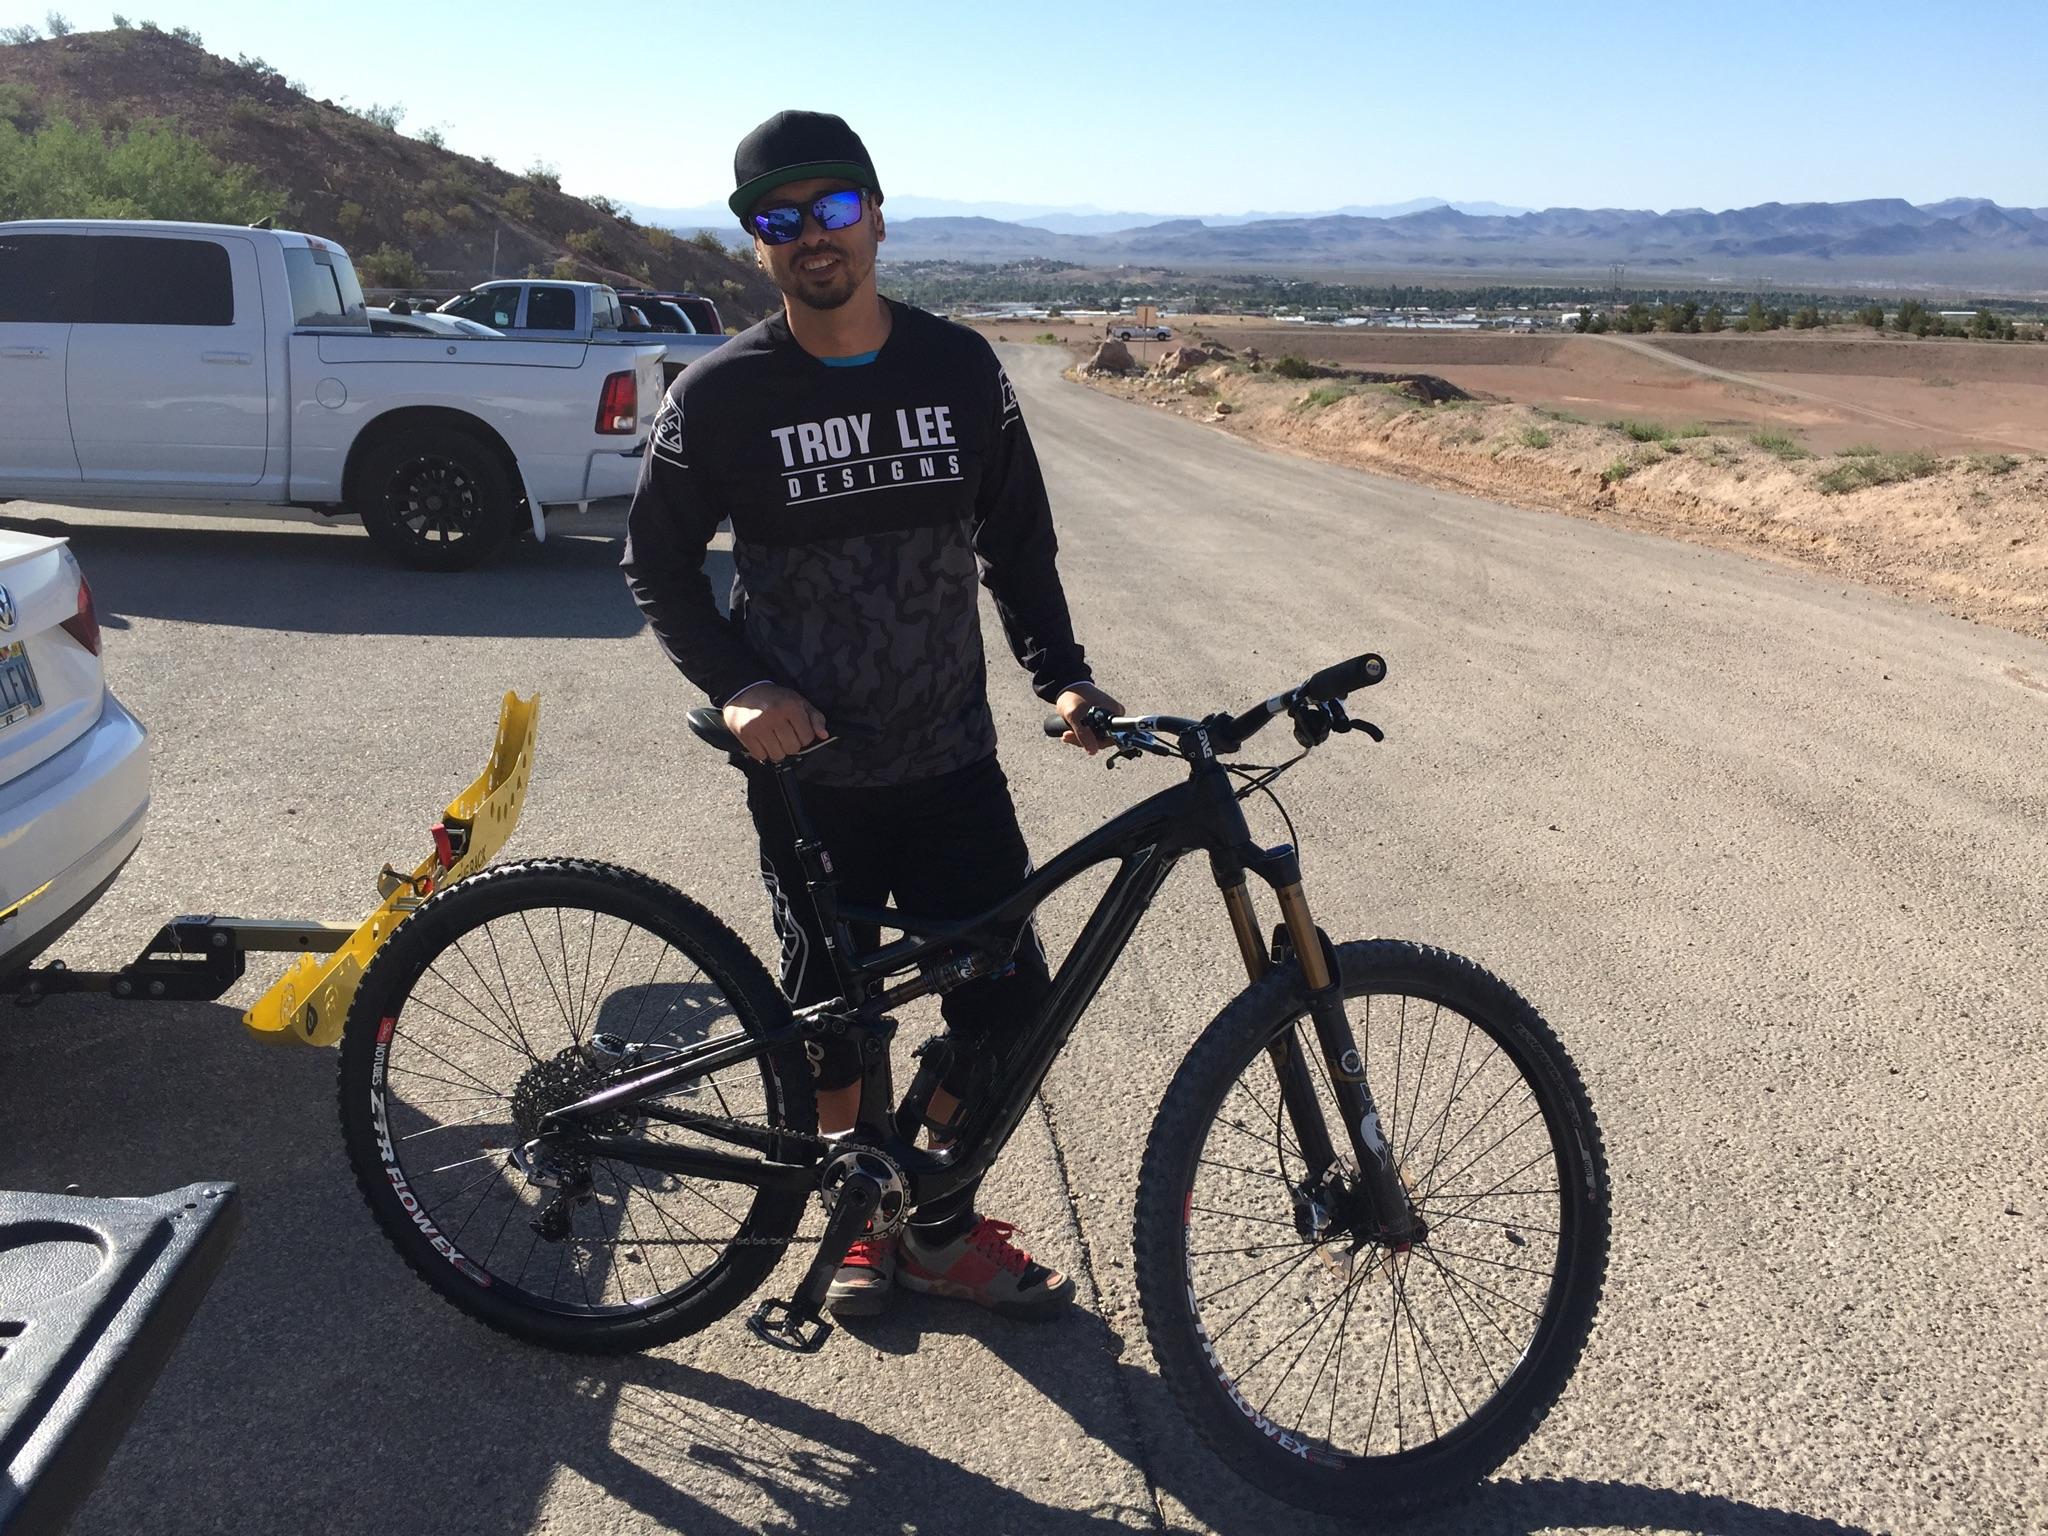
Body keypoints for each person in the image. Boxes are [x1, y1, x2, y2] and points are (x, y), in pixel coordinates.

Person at [622, 109, 1119, 1321]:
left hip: (950, 757)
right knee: (829, 1025)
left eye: (833, 206)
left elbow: (1016, 544)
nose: (812, 235)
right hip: (811, 776)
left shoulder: (959, 369)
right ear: (756, 245)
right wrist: (737, 686)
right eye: (778, 218)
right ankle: (854, 1226)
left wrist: (1061, 675)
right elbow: (657, 566)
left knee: (1006, 1006)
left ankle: (926, 1221)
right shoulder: (720, 393)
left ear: (878, 217)